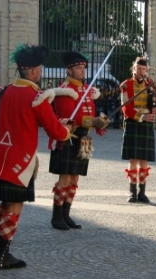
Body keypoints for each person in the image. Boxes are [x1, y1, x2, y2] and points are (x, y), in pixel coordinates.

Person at [0, 43, 72, 269]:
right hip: (21, 161)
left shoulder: (5, 91)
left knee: (5, 205)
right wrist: (67, 129)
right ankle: (0, 257)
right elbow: (56, 131)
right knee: (14, 207)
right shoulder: (36, 97)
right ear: (35, 71)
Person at [49, 51, 108, 230]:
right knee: (65, 178)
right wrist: (93, 121)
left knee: (75, 179)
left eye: (83, 67)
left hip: (84, 139)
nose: (82, 71)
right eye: (78, 67)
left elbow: (89, 113)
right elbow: (68, 117)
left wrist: (100, 122)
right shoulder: (65, 91)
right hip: (69, 137)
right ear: (69, 70)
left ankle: (66, 215)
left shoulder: (87, 90)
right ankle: (56, 216)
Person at [120, 56, 156, 203]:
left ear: (146, 70)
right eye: (139, 68)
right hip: (133, 123)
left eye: (144, 69)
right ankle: (132, 192)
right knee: (134, 159)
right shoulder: (126, 85)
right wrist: (142, 117)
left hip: (146, 125)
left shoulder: (151, 85)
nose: (141, 71)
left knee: (144, 160)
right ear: (134, 69)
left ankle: (142, 192)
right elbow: (126, 108)